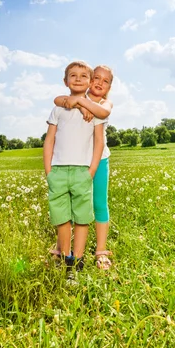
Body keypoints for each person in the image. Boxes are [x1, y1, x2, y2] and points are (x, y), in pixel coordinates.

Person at [43, 61, 105, 275]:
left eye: (83, 76)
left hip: (82, 171)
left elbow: (99, 142)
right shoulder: (58, 108)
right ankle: (64, 256)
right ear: (65, 81)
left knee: (82, 218)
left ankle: (76, 262)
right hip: (58, 171)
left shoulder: (94, 109)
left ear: (89, 82)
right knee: (61, 218)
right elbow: (49, 139)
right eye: (73, 75)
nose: (78, 79)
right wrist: (48, 170)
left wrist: (92, 171)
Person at [54, 65, 113, 270]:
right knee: (71, 204)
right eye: (96, 78)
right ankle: (61, 246)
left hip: (100, 160)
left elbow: (101, 111)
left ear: (109, 87)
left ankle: (101, 251)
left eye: (105, 81)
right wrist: (79, 104)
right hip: (77, 161)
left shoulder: (104, 103)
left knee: (98, 204)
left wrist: (81, 102)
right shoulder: (80, 97)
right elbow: (58, 100)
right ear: (89, 81)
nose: (100, 83)